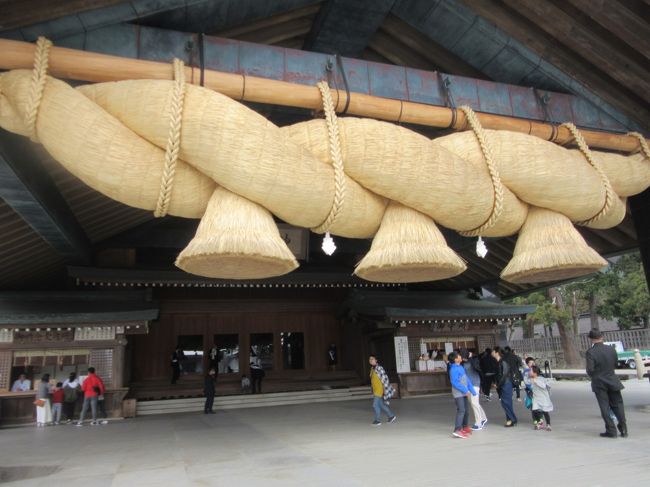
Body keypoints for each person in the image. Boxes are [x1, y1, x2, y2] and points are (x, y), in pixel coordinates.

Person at [585, 330, 627, 438]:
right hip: (612, 379)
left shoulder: (591, 352)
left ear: (591, 339)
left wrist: (595, 375)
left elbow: (590, 370)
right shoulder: (611, 349)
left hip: (599, 382)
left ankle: (611, 430)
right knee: (618, 405)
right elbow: (615, 363)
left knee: (604, 406)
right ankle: (624, 429)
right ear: (602, 337)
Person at [448, 352, 476, 438]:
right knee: (461, 410)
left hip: (464, 392)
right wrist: (465, 390)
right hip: (458, 393)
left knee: (466, 411)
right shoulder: (453, 369)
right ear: (456, 359)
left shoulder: (460, 367)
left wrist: (472, 390)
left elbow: (466, 379)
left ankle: (464, 427)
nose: (461, 357)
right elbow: (454, 382)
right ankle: (457, 430)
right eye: (459, 356)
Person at [461, 349, 487, 430]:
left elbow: (479, 368)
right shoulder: (463, 363)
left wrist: (472, 358)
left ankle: (478, 423)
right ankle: (483, 418)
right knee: (474, 403)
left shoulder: (473, 360)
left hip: (475, 383)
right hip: (468, 385)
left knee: (474, 403)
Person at [368, 355, 396, 426]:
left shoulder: (379, 368)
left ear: (376, 360)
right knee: (381, 405)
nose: (371, 360)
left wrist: (385, 389)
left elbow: (385, 378)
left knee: (375, 405)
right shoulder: (372, 368)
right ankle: (391, 416)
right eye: (370, 359)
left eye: (372, 359)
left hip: (379, 389)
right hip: (375, 389)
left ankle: (377, 420)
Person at [493, 347, 517, 427]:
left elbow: (504, 375)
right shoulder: (498, 362)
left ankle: (512, 419)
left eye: (493, 351)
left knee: (506, 403)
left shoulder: (503, 362)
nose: (492, 352)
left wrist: (498, 384)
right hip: (503, 384)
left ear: (496, 353)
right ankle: (510, 419)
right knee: (505, 403)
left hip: (506, 384)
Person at [530, 366, 553, 431]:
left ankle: (548, 425)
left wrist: (536, 381)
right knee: (534, 411)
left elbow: (543, 386)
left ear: (535, 373)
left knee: (545, 411)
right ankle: (540, 423)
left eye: (530, 371)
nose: (529, 372)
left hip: (543, 398)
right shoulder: (531, 379)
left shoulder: (540, 379)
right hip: (536, 398)